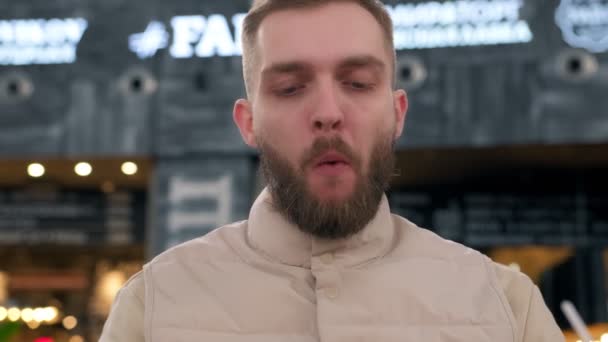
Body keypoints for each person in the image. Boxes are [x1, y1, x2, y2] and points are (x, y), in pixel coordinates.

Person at [100, 0, 564, 341]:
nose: (328, 112)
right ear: (249, 123)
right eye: (290, 87)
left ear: (398, 113)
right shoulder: (155, 307)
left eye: (358, 83)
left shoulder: (505, 306)